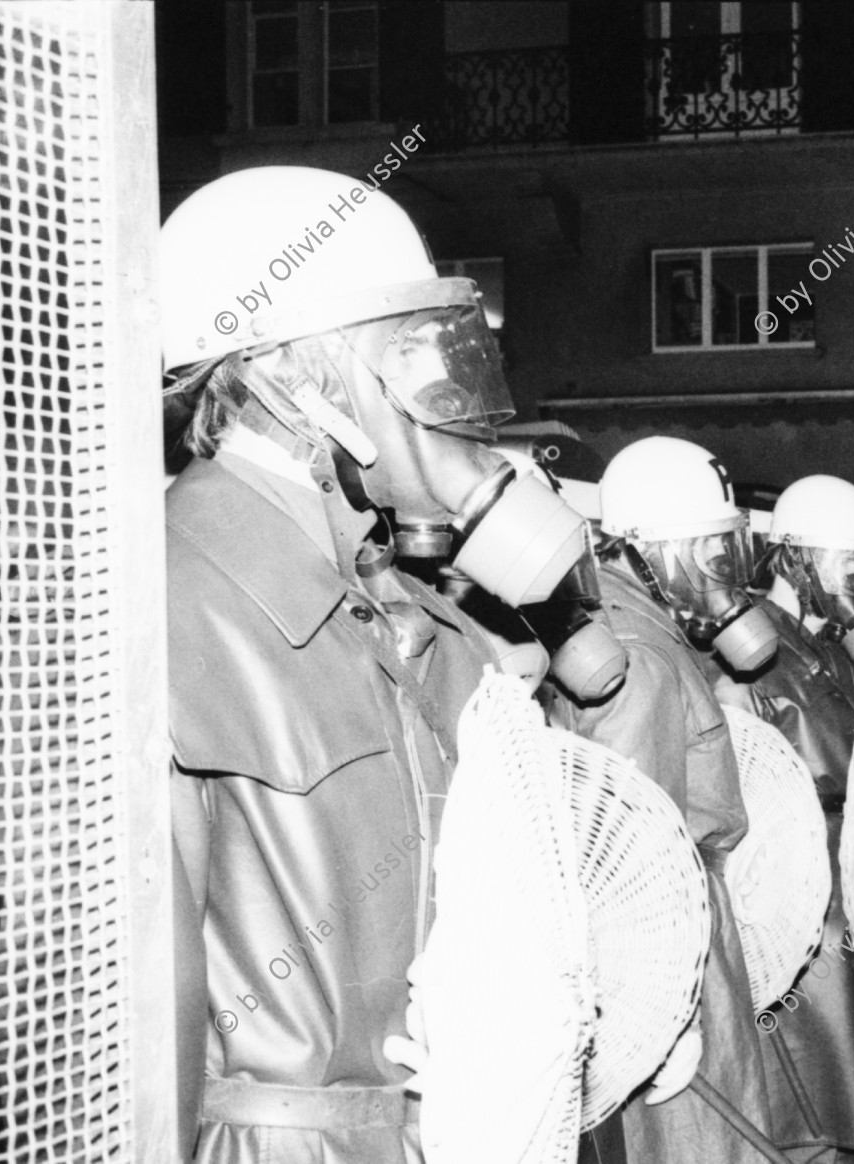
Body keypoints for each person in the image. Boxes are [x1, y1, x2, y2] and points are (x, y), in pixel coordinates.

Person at [158, 165, 629, 1164]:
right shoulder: (165, 606)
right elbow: (128, 1039)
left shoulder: (419, 620)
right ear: (299, 376)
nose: (451, 396)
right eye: (409, 353)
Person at [554, 434, 785, 1163]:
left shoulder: (630, 629)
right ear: (640, 549)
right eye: (706, 553)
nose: (721, 575)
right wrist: (665, 1018)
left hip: (678, 930)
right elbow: (631, 861)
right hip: (674, 942)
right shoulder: (644, 655)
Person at [712, 474, 854, 1162]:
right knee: (820, 1102)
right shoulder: (754, 652)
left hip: (853, 880)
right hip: (804, 895)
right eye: (848, 561)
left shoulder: (826, 646)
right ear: (796, 560)